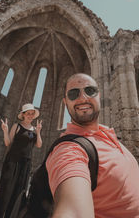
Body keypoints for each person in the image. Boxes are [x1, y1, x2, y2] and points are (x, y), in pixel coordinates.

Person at [46, 73, 139, 218]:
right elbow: (72, 211)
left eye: (90, 91)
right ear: (65, 102)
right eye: (73, 93)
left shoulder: (109, 134)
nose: (83, 98)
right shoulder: (69, 150)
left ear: (99, 95)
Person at [0, 103, 42, 218]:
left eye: (32, 114)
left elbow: (39, 145)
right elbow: (8, 143)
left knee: (19, 192)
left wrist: (38, 132)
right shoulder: (17, 126)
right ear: (23, 115)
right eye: (28, 113)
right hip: (12, 162)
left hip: (26, 164)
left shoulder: (34, 129)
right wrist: (5, 130)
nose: (30, 116)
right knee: (5, 190)